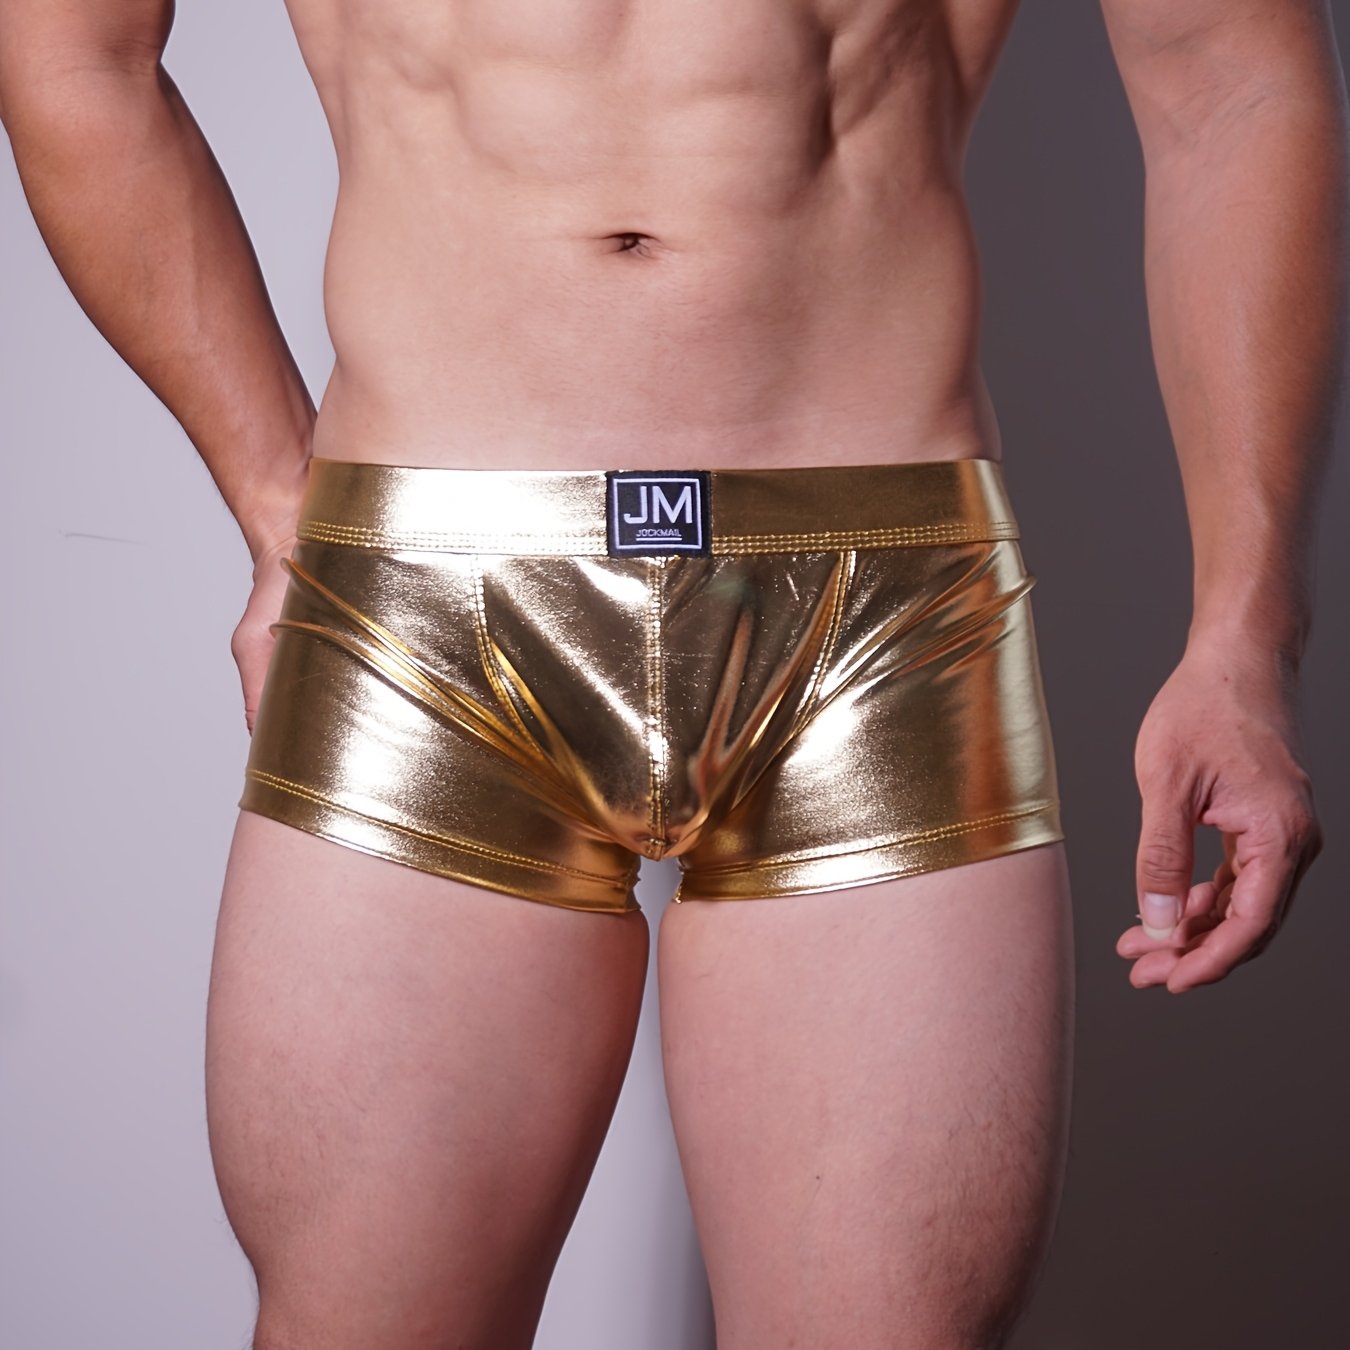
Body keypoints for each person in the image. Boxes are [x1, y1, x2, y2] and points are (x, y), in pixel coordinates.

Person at [0, 1, 1341, 1346]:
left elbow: (1225, 76)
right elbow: (69, 47)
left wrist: (1242, 635)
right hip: (431, 599)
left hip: (876, 612)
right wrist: (270, 496)